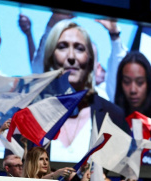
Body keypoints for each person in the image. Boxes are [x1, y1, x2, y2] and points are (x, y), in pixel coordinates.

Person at [42, 19, 130, 161]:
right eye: (62, 47)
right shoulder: (30, 113)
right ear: (50, 57)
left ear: (90, 60)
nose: (71, 57)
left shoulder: (113, 117)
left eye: (79, 48)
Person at [114, 51, 151, 167]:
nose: (133, 90)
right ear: (120, 84)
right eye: (127, 82)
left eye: (140, 82)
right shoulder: (110, 126)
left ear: (149, 84)